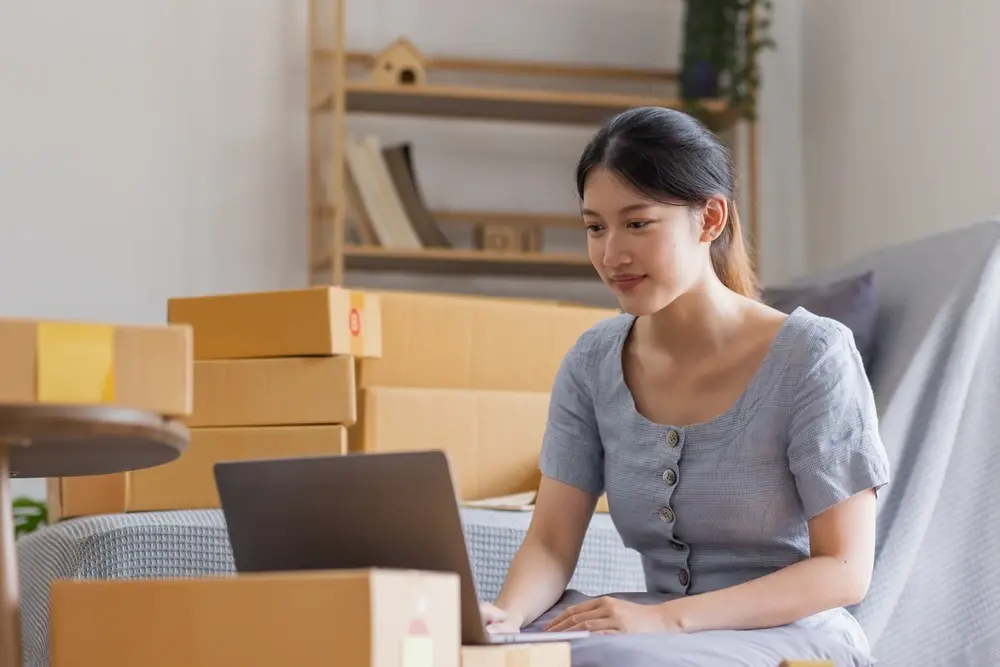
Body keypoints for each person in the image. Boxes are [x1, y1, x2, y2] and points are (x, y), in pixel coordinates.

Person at [479, 106, 890, 653]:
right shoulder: (591, 361)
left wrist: (669, 620)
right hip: (657, 634)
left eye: (638, 223)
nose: (611, 254)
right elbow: (553, 543)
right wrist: (504, 618)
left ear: (711, 219)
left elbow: (844, 569)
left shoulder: (813, 356)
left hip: (791, 636)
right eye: (595, 227)